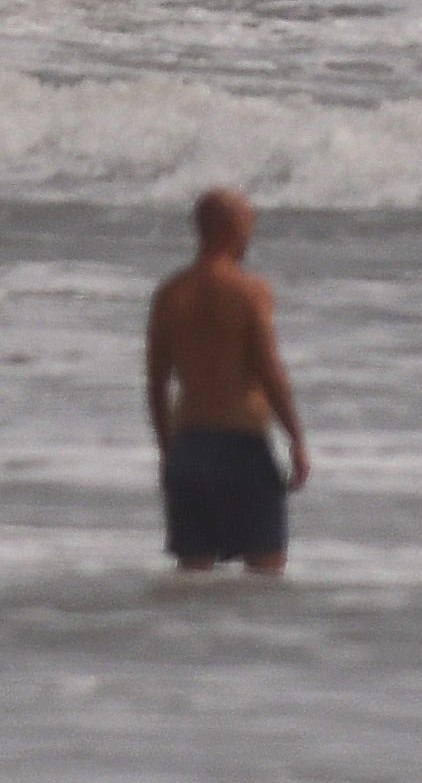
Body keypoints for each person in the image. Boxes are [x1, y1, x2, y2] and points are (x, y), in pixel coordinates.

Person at [145, 187, 309, 576]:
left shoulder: (170, 294)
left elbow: (155, 383)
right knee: (266, 575)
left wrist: (169, 452)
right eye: (248, 225)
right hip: (242, 447)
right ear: (234, 228)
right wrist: (296, 438)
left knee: (192, 579)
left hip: (189, 447)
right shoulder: (249, 292)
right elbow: (269, 371)